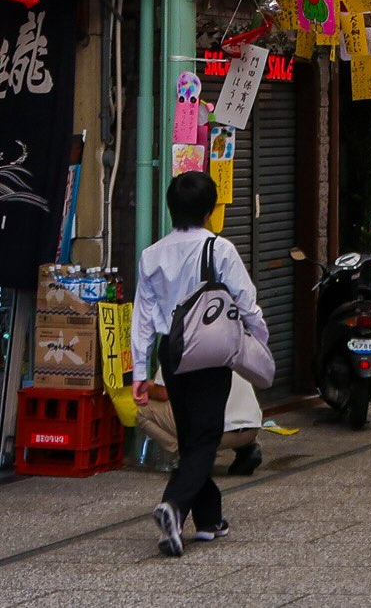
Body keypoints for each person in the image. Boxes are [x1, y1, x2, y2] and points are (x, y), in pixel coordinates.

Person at [131, 171, 269, 557]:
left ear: (171, 209)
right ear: (210, 210)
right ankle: (173, 506)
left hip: (171, 352)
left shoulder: (151, 254)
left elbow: (142, 316)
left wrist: (139, 372)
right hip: (208, 349)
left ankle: (209, 521)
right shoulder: (219, 249)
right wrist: (259, 339)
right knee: (205, 438)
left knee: (194, 436)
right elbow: (246, 299)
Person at [139, 369, 265, 477]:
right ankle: (250, 448)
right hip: (251, 429)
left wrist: (146, 387)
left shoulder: (177, 345)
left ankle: (191, 453)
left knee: (140, 410)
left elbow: (163, 393)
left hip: (216, 435)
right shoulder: (228, 342)